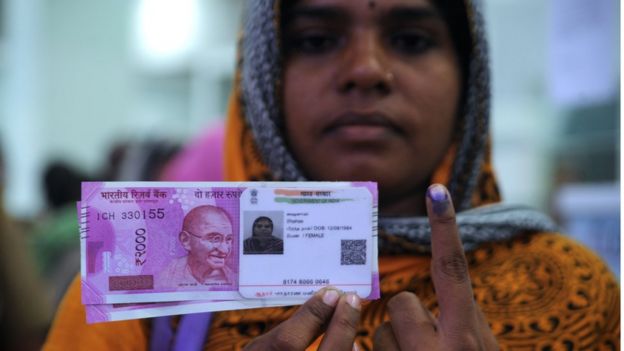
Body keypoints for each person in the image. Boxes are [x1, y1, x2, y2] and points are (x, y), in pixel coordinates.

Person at [44, 0, 619, 350]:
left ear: (470, 81)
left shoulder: (576, 289)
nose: (366, 70)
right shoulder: (142, 283)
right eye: (317, 40)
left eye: (412, 39)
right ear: (264, 78)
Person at [159, 205, 235, 287]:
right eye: (214, 239)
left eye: (228, 239)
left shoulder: (234, 280)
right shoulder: (165, 278)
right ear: (186, 240)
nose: (224, 250)